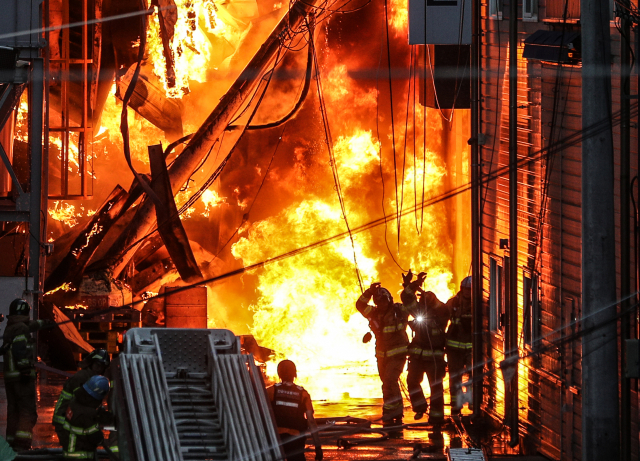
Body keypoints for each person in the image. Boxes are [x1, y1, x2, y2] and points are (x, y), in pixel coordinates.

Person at [356, 280, 414, 426]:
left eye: (383, 301)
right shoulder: (374, 313)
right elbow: (360, 305)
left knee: (389, 381)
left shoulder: (399, 310)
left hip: (398, 354)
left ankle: (392, 413)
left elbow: (412, 305)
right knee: (386, 383)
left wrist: (409, 287)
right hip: (382, 355)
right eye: (378, 302)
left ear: (389, 300)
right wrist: (369, 292)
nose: (381, 304)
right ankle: (392, 411)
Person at [1, 298, 54, 451]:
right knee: (27, 412)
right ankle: (23, 445)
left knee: (14, 412)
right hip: (21, 376)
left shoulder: (12, 326)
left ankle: (11, 443)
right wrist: (25, 369)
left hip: (11, 377)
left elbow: (30, 325)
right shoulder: (21, 329)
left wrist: (45, 323)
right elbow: (19, 350)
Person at [401, 273, 450, 424]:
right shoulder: (419, 311)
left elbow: (443, 310)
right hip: (417, 356)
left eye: (425, 301)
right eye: (421, 300)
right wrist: (415, 284)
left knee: (436, 388)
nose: (422, 303)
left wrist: (430, 299)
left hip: (434, 358)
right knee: (412, 381)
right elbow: (406, 297)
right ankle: (420, 406)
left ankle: (436, 418)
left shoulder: (441, 313)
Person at [266, 360, 322, 461]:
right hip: (295, 439)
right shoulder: (303, 394)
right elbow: (311, 421)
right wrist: (318, 447)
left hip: (276, 439)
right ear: (295, 373)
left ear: (279, 373)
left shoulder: (270, 391)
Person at [57, 375, 112, 460]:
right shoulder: (88, 413)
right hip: (81, 456)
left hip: (69, 452)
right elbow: (95, 437)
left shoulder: (74, 402)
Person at [52, 349, 110, 431]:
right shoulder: (82, 377)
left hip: (70, 417)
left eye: (102, 367)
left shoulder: (92, 378)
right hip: (64, 419)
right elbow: (84, 402)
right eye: (97, 365)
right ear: (91, 363)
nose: (99, 369)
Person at [445, 276, 473, 415]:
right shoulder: (453, 303)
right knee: (455, 377)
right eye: (466, 289)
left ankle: (473, 402)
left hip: (471, 348)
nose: (468, 292)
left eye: (470, 290)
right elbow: (442, 319)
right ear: (462, 289)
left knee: (474, 376)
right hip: (454, 348)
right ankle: (456, 406)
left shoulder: (478, 304)